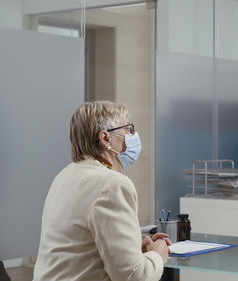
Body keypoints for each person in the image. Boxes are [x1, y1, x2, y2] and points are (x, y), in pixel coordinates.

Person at [33, 101, 170, 281]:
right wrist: (158, 255)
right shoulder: (112, 184)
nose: (133, 135)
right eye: (128, 129)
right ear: (105, 138)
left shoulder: (64, 176)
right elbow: (132, 276)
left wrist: (135, 248)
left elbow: (81, 248)